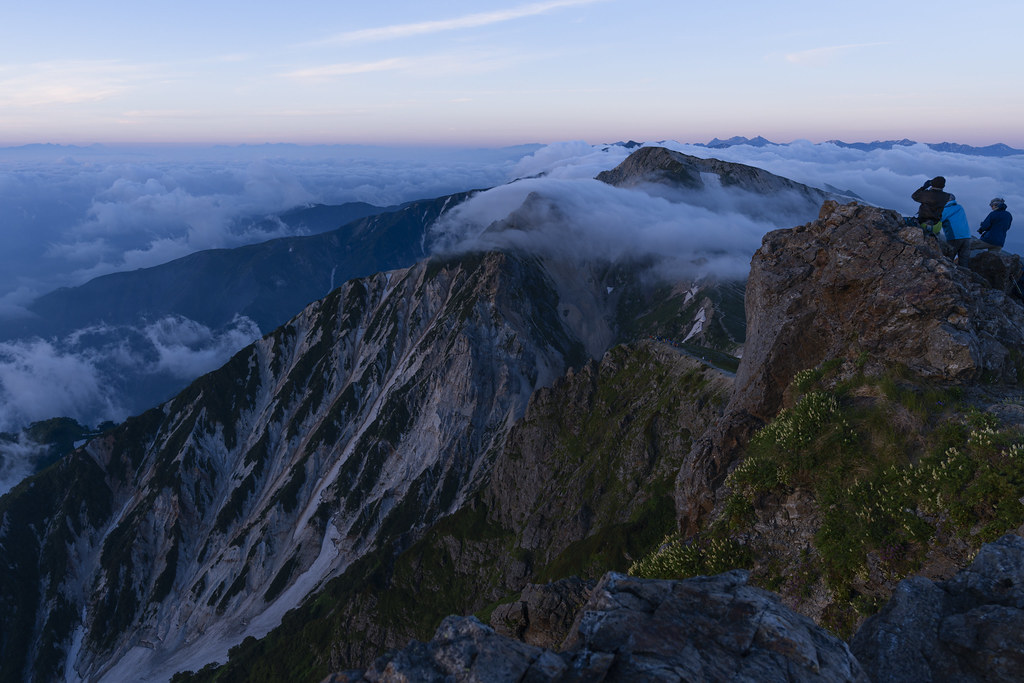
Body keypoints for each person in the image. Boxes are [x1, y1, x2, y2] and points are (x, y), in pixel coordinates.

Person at [941, 198, 971, 267]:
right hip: (967, 236)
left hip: (954, 237)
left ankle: (948, 276)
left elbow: (938, 219)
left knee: (949, 259)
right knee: (964, 260)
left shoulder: (945, 210)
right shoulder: (960, 207)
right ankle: (965, 275)